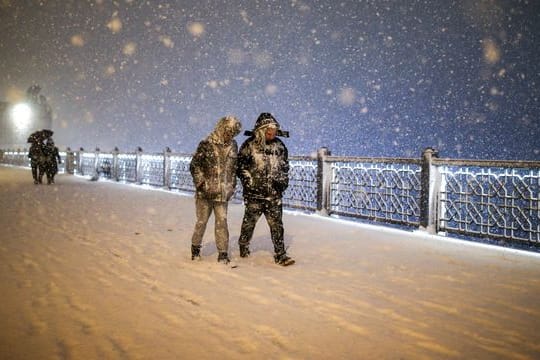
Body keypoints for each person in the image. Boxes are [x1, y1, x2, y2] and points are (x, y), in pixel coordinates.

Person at [237, 113, 295, 266]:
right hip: (254, 195)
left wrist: (282, 182)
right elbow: (240, 167)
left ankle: (280, 254)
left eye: (274, 131)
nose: (272, 134)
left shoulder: (280, 146)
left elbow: (284, 167)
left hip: (273, 195)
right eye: (269, 131)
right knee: (249, 224)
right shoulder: (249, 145)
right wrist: (249, 181)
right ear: (261, 130)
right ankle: (243, 245)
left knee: (277, 226)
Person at [189, 115, 242, 264]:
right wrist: (201, 183)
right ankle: (195, 248)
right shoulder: (206, 144)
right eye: (227, 132)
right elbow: (195, 166)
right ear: (221, 129)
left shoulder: (233, 146)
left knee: (222, 223)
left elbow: (233, 169)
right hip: (205, 193)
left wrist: (231, 185)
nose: (229, 135)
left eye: (232, 133)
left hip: (222, 193)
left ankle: (223, 253)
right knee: (202, 222)